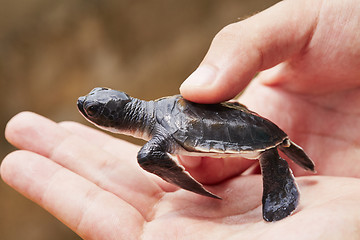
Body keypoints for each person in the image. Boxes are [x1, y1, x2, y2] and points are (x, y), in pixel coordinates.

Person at [2, 0, 360, 239]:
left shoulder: (157, 137)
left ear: (116, 118)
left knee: (152, 157)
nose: (85, 104)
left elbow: (160, 155)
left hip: (254, 137)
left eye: (93, 109)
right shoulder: (162, 111)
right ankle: (276, 153)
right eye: (92, 107)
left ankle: (275, 164)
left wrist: (195, 188)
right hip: (253, 127)